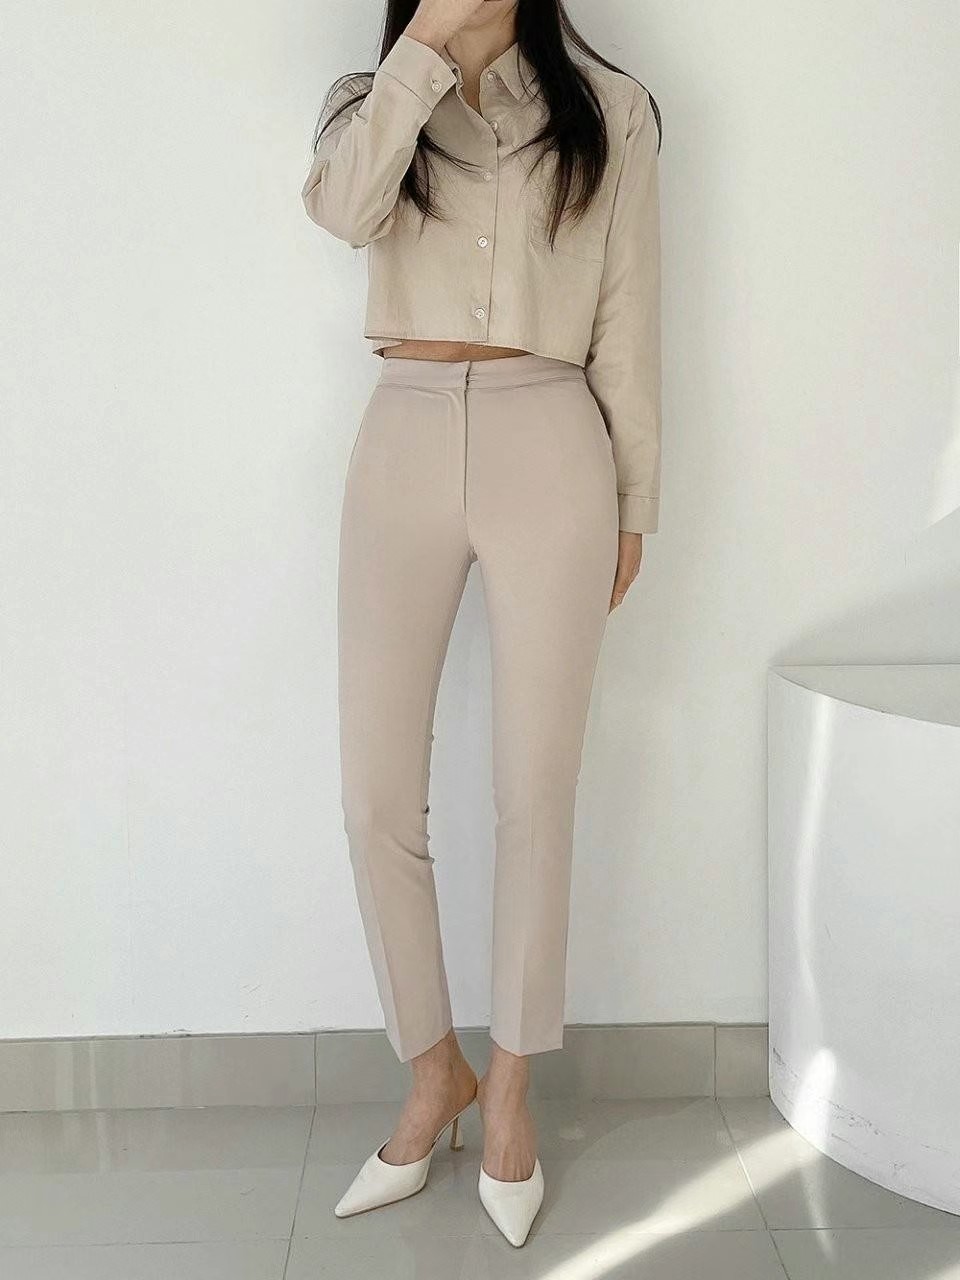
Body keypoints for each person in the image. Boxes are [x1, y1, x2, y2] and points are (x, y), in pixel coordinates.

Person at [300, 0, 661, 1246]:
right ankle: (431, 1070)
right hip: (400, 429)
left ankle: (508, 1087)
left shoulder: (611, 111)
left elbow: (627, 314)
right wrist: (421, 52)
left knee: (534, 789)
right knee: (372, 794)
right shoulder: (368, 103)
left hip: (550, 434)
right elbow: (342, 210)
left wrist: (635, 501)